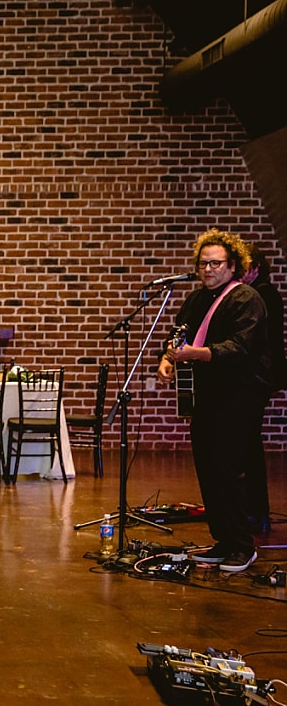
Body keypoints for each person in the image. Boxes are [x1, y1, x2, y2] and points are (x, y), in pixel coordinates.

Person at [157, 228, 272, 573]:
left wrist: (197, 353)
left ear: (232, 264)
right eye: (203, 264)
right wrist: (168, 357)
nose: (208, 270)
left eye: (216, 263)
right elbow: (179, 335)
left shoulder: (246, 298)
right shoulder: (195, 299)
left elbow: (240, 347)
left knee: (227, 468)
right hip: (205, 396)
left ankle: (241, 545)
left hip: (237, 395)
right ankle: (223, 540)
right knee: (207, 468)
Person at [242, 245, 285, 534]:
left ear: (256, 267)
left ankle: (257, 512)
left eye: (243, 267)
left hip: (259, 377)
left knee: (248, 444)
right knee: (246, 443)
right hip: (257, 376)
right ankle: (253, 511)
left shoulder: (263, 294)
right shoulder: (258, 293)